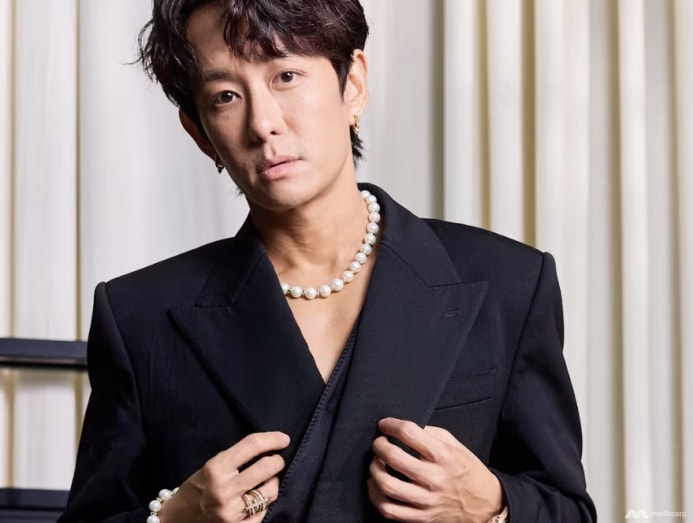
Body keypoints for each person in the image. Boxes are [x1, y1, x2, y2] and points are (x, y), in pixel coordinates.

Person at [59, 1, 596, 522]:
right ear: (200, 134)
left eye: (286, 75)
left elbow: (568, 509)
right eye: (225, 96)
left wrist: (491, 506)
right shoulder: (140, 317)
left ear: (352, 83)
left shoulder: (507, 284)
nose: (263, 123)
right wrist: (173, 520)